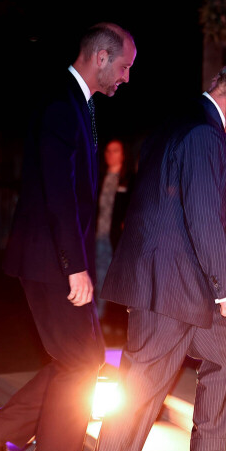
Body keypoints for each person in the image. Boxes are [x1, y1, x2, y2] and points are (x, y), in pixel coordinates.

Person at [70, 57, 226, 451]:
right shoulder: (203, 131)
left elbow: (171, 183)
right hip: (170, 282)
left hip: (174, 277)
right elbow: (201, 220)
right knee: (143, 386)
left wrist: (222, 175)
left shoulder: (186, 119)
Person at [0, 23, 136, 451]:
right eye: (124, 66)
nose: (127, 77)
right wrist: (74, 266)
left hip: (52, 257)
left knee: (83, 359)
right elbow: (58, 193)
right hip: (49, 259)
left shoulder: (80, 103)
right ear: (101, 57)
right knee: (80, 362)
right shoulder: (62, 102)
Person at [95, 137, 131, 332]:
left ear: (123, 154)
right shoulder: (98, 178)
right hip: (97, 237)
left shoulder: (130, 180)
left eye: (115, 150)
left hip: (117, 240)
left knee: (116, 281)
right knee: (98, 278)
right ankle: (98, 321)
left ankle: (116, 322)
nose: (111, 155)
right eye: (108, 151)